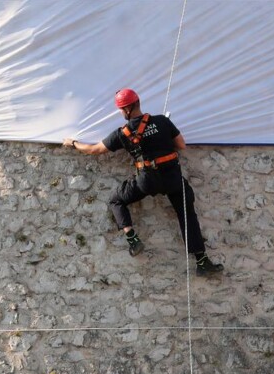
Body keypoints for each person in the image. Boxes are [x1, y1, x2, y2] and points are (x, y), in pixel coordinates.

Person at [63, 88, 223, 276]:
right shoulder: (163, 121)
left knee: (116, 200)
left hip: (146, 181)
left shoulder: (123, 133)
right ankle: (202, 262)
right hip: (172, 178)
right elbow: (181, 145)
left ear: (126, 109)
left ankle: (132, 239)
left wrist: (72, 143)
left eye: (121, 110)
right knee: (187, 215)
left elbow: (94, 150)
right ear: (138, 103)